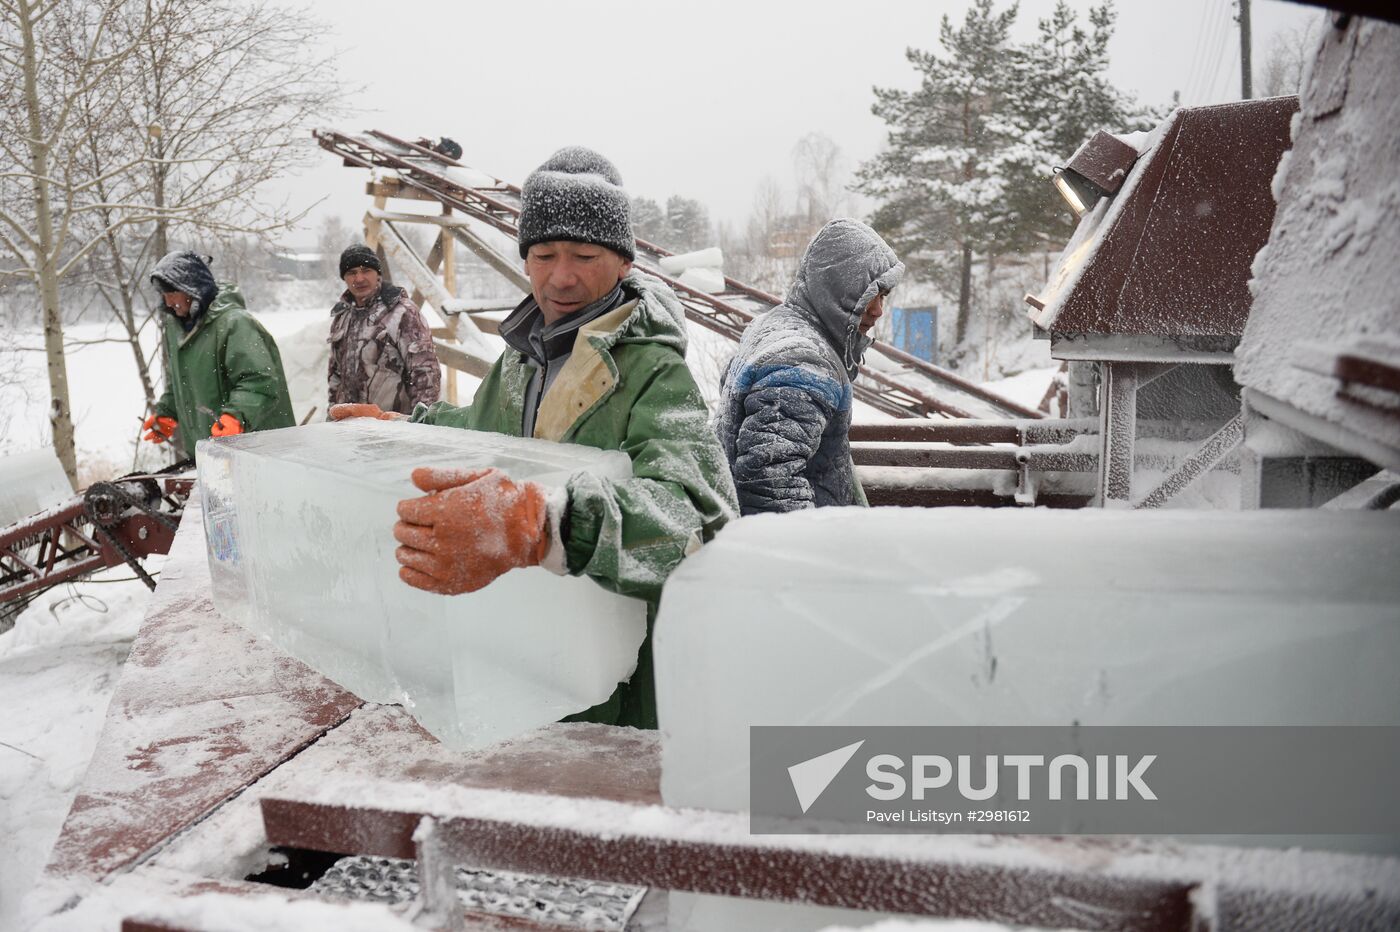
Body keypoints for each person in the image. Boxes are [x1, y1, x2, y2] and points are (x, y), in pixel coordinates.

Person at [332, 146, 738, 730]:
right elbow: (479, 433)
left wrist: (542, 524)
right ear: (524, 261)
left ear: (624, 263)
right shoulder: (521, 361)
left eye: (585, 254)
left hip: (619, 680)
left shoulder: (652, 371)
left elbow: (699, 520)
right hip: (525, 661)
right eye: (544, 254)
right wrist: (408, 426)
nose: (561, 275)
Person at [713, 219, 903, 514]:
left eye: (883, 295)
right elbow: (772, 486)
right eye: (869, 294)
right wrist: (809, 553)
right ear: (839, 288)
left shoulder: (773, 326)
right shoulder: (803, 362)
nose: (878, 310)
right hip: (793, 548)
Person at [141, 251, 295, 459]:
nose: (168, 302)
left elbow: (260, 381)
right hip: (212, 455)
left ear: (192, 289)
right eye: (163, 295)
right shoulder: (178, 328)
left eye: (172, 293)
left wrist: (236, 416)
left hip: (255, 453)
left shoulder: (234, 323)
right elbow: (182, 380)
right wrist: (168, 411)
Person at [327, 244, 442, 416]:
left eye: (365, 270)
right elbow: (335, 375)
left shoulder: (402, 313)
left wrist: (421, 421)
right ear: (344, 278)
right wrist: (333, 413)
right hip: (350, 428)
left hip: (393, 428)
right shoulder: (342, 316)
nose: (359, 278)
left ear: (378, 274)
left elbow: (425, 373)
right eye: (351, 273)